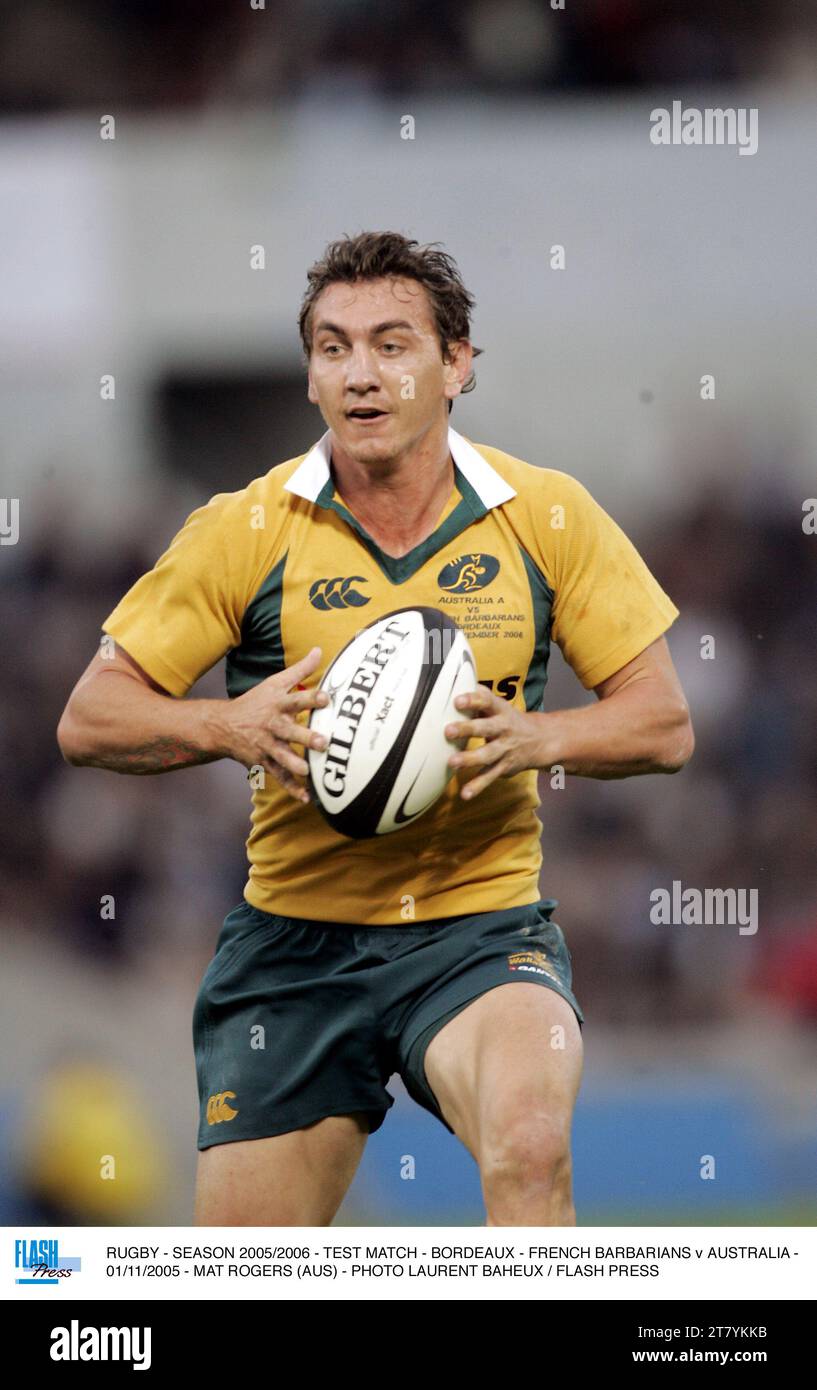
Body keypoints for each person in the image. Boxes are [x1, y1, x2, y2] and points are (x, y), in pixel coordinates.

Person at [57, 231, 694, 1227]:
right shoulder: (244, 528)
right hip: (292, 952)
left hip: (479, 932)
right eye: (332, 346)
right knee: (244, 1283)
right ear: (310, 375)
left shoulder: (548, 517)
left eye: (393, 344)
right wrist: (228, 723)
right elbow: (89, 717)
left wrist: (543, 738)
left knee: (531, 1151)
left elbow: (663, 723)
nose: (361, 373)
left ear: (458, 363)